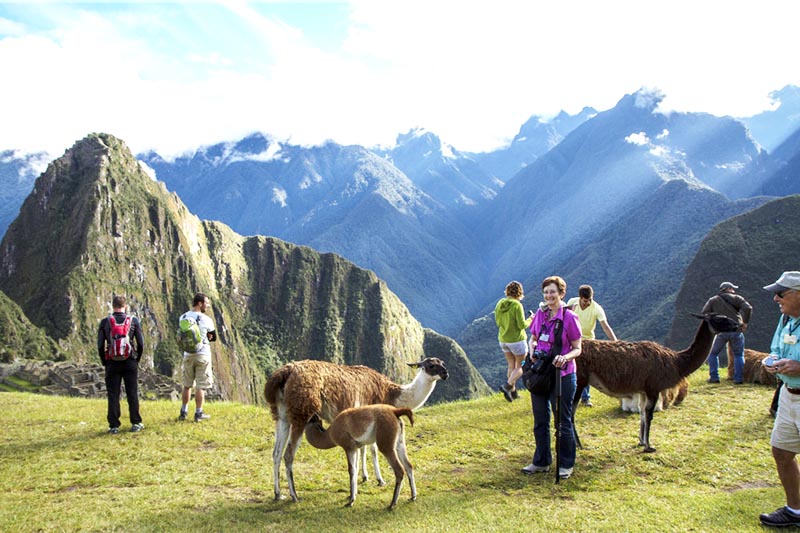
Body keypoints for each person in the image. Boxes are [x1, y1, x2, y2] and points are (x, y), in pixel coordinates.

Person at [521, 276, 582, 480]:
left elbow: (577, 348)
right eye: (546, 292)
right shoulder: (541, 314)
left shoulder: (570, 318)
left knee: (562, 421)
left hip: (562, 374)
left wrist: (564, 357)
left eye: (553, 292)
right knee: (540, 420)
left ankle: (566, 463)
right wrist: (531, 346)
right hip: (541, 374)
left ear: (561, 294)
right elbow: (534, 336)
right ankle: (541, 461)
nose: (549, 296)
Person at [759, 271, 800, 528]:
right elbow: (776, 347)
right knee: (782, 451)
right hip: (788, 396)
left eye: (781, 293)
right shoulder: (786, 318)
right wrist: (771, 361)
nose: (775, 298)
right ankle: (795, 510)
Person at [97, 295, 145, 434]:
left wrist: (104, 361)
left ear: (113, 306)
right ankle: (136, 422)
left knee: (113, 394)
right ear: (125, 306)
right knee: (132, 392)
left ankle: (114, 426)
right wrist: (136, 359)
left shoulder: (105, 322)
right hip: (130, 361)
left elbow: (100, 345)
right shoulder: (133, 321)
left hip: (112, 362)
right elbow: (141, 343)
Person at [566, 285, 617, 407]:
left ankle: (585, 398)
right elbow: (565, 319)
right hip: (572, 339)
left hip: (588, 342)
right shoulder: (572, 303)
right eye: (585, 300)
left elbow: (605, 326)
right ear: (580, 298)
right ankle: (570, 395)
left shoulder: (597, 308)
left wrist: (615, 342)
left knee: (585, 370)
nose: (587, 302)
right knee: (571, 368)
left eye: (589, 300)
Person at [702, 281, 753, 384]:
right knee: (738, 355)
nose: (734, 290)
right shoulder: (737, 298)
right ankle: (738, 379)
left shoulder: (713, 300)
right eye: (732, 288)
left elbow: (705, 312)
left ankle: (714, 377)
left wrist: (716, 320)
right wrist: (745, 322)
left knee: (713, 354)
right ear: (729, 289)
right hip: (736, 331)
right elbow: (748, 308)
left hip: (721, 332)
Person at [179, 292, 217, 422]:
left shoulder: (183, 317)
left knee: (187, 385)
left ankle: (183, 411)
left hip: (188, 355)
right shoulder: (207, 320)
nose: (207, 305)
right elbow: (213, 337)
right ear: (200, 304)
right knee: (200, 386)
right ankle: (198, 413)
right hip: (202, 355)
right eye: (206, 303)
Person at [495, 281, 533, 402]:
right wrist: (531, 319)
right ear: (519, 292)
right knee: (522, 365)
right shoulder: (517, 305)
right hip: (517, 341)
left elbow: (497, 322)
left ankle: (514, 393)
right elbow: (522, 325)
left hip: (503, 340)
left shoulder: (499, 304)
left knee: (511, 365)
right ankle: (507, 386)